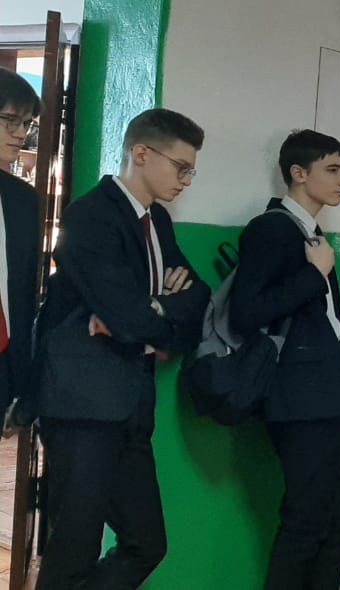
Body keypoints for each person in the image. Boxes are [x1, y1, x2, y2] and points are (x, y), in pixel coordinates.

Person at [36, 108, 210, 589]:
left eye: (191, 171)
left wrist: (151, 308)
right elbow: (127, 318)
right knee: (73, 548)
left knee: (146, 543)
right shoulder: (91, 215)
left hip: (131, 405)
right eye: (181, 167)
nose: (186, 180)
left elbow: (198, 301)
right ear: (142, 153)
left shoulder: (158, 222)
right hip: (83, 405)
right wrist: (147, 313)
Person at [230, 129, 340, 589]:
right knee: (307, 522)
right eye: (333, 169)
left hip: (324, 397)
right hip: (297, 400)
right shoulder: (271, 229)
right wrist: (313, 275)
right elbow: (246, 312)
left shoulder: (311, 231)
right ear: (298, 173)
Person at [0, 68, 41, 427]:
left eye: (26, 123)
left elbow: (24, 292)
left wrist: (23, 383)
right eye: (10, 120)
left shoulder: (23, 200)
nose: (20, 133)